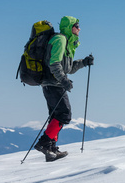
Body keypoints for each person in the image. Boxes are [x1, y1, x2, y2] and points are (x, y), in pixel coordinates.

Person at [34, 16, 94, 162]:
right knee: (64, 115)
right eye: (77, 25)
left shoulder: (66, 43)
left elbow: (68, 68)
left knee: (56, 116)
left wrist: (84, 62)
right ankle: (44, 144)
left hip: (51, 83)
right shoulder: (60, 40)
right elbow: (54, 64)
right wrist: (64, 80)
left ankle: (51, 149)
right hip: (54, 84)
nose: (79, 29)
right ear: (70, 27)